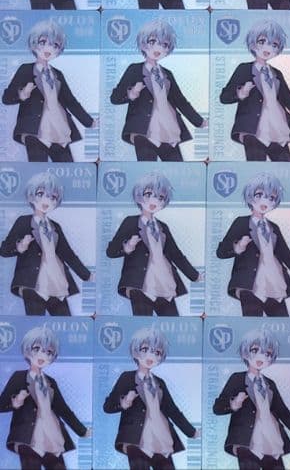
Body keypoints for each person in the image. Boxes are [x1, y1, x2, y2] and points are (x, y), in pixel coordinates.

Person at [215, 172, 290, 317]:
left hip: (274, 283)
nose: (265, 201)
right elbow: (221, 252)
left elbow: (287, 255)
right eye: (259, 195)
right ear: (250, 196)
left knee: (281, 323)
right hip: (249, 285)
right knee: (252, 323)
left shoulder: (273, 227)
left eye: (271, 198)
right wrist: (238, 247)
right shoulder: (241, 222)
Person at [105, 171, 200, 317]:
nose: (154, 201)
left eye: (160, 197)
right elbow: (111, 251)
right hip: (140, 285)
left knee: (171, 323)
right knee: (143, 324)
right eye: (148, 194)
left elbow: (176, 254)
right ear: (139, 195)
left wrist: (195, 276)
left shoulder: (163, 226)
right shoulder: (130, 222)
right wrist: (127, 247)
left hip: (164, 283)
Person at [102, 326, 198, 469]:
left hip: (161, 437)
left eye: (157, 352)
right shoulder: (127, 378)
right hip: (136, 439)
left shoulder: (159, 383)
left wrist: (191, 432)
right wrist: (124, 403)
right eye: (145, 349)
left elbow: (172, 410)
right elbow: (108, 406)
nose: (150, 356)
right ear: (135, 351)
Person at [212, 328, 290, 469]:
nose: (261, 357)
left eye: (267, 354)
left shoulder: (270, 384)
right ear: (245, 353)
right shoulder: (237, 379)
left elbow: (283, 412)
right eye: (255, 350)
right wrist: (233, 404)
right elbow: (217, 408)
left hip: (272, 439)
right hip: (247, 441)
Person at [109, 19, 205, 162]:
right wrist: (131, 94)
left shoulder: (167, 74)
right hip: (143, 130)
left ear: (168, 49)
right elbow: (115, 98)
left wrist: (199, 121)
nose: (158, 48)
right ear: (143, 44)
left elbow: (180, 101)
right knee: (147, 168)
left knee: (177, 168)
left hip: (168, 129)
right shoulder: (134, 69)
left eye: (164, 44)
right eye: (152, 42)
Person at [219, 20, 290, 162]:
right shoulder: (244, 69)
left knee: (285, 167)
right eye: (262, 42)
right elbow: (224, 97)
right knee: (256, 168)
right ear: (252, 44)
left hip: (278, 128)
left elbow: (289, 100)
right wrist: (240, 93)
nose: (267, 48)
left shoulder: (276, 73)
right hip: (253, 130)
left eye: (274, 44)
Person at [2, 20, 94, 163]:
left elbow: (70, 101)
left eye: (55, 45)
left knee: (67, 166)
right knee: (38, 168)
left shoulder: (57, 74)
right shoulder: (26, 69)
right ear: (34, 43)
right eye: (43, 42)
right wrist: (22, 94)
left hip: (59, 128)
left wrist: (89, 122)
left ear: (59, 49)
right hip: (35, 130)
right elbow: (7, 97)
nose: (48, 48)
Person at [0, 171, 90, 316]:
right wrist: (20, 246)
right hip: (32, 284)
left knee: (64, 321)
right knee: (35, 323)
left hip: (56, 282)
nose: (46, 200)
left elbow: (68, 254)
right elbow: (4, 250)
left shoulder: (55, 226)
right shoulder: (23, 222)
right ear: (31, 196)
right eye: (40, 194)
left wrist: (87, 276)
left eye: (52, 197)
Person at [0, 326, 90, 470]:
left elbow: (63, 409)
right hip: (28, 436)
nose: (43, 355)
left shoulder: (50, 382)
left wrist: (82, 431)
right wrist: (15, 402)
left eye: (49, 352)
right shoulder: (19, 377)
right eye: (37, 349)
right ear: (27, 350)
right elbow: (1, 404)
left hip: (51, 434)